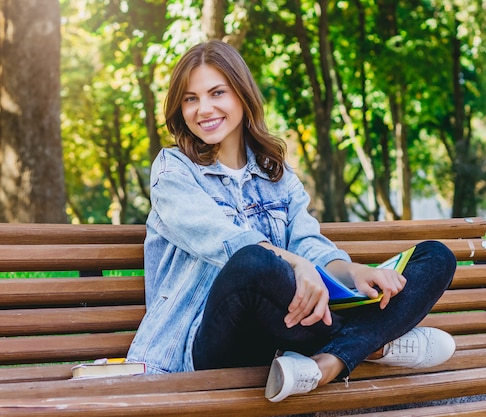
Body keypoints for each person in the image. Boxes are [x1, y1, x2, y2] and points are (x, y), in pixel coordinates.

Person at [126, 39, 458, 403]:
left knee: (435, 256)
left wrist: (355, 272)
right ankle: (373, 345)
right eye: (190, 98)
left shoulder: (276, 175)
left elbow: (307, 242)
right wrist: (298, 266)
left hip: (284, 336)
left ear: (241, 95)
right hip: (206, 344)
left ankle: (327, 363)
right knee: (253, 262)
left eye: (216, 92)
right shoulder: (173, 169)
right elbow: (223, 240)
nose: (203, 109)